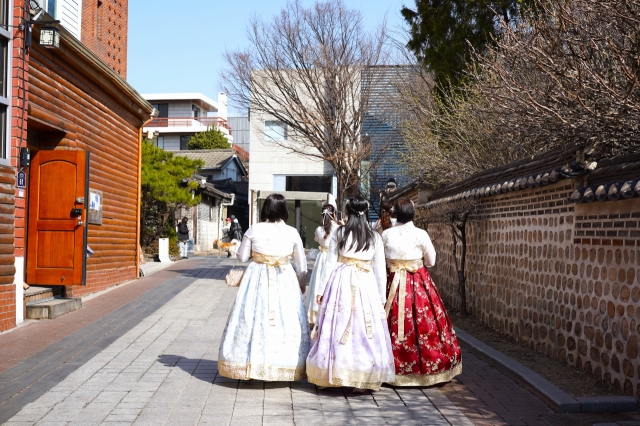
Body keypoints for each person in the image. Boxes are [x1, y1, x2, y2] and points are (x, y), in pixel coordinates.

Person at [218, 193, 310, 381]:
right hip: (284, 277)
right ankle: (286, 364)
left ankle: (248, 364)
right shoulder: (292, 232)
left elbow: (242, 257)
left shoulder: (254, 229)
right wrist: (302, 283)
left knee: (253, 316)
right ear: (284, 210)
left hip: (256, 277)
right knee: (287, 318)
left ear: (265, 209)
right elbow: (302, 267)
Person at [306, 196, 395, 391]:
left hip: (341, 279)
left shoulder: (340, 232)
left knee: (336, 323)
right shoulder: (374, 237)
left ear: (348, 212)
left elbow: (330, 263)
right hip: (366, 282)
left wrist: (321, 290)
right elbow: (380, 270)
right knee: (363, 326)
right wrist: (381, 297)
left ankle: (329, 373)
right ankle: (364, 376)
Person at [381, 197, 462, 386]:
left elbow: (380, 260)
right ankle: (428, 367)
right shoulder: (421, 234)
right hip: (417, 281)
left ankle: (390, 367)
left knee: (389, 321)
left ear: (396, 213)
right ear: (412, 212)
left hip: (392, 282)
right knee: (424, 323)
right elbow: (431, 260)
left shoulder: (386, 235)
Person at [306, 204, 339, 325]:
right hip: (334, 257)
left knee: (318, 282)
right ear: (334, 214)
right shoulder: (339, 228)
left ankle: (315, 313)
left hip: (322, 257)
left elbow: (317, 240)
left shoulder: (319, 230)